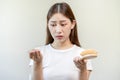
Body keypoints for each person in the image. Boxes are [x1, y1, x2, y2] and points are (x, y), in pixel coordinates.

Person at [29, 2, 92, 80]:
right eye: (53, 25)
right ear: (48, 25)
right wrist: (37, 63)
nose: (58, 30)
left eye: (63, 24)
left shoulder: (82, 55)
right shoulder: (39, 54)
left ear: (72, 24)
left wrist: (83, 69)